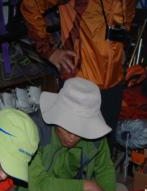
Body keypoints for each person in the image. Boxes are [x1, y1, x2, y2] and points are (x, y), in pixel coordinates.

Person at [21, 0, 136, 134]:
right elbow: (31, 4)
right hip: (80, 81)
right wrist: (48, 51)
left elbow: (126, 14)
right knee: (74, 140)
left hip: (114, 82)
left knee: (106, 139)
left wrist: (122, 45)